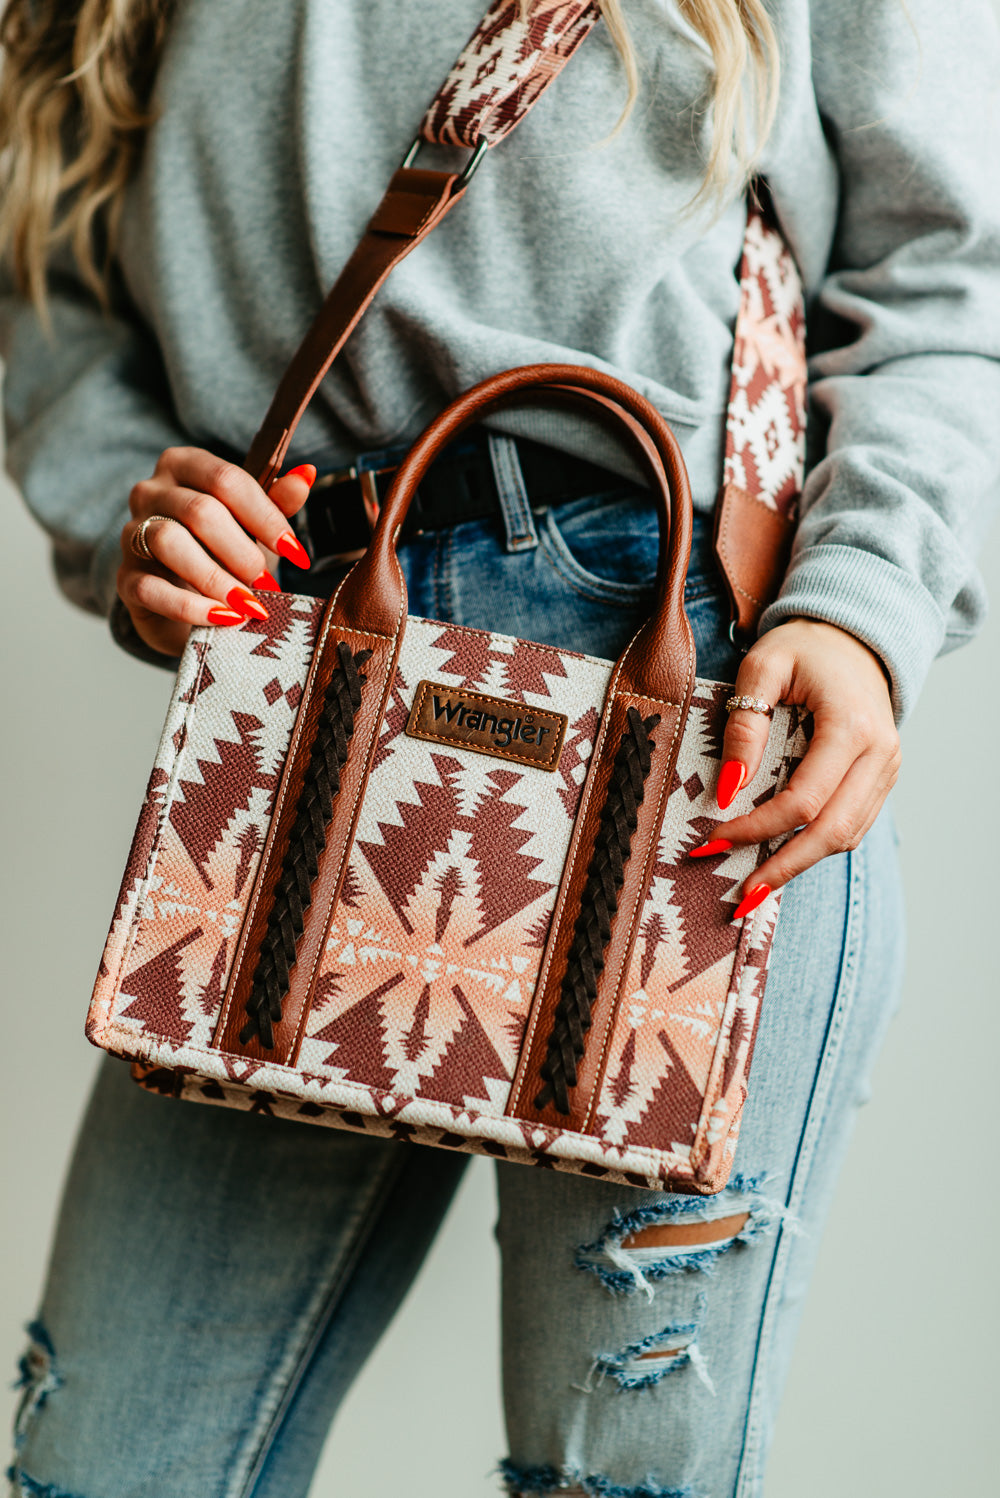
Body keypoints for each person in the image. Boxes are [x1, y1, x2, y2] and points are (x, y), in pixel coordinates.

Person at [2, 2, 998, 1495]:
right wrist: (141, 513)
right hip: (301, 690)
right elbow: (47, 302)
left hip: (689, 698)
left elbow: (947, 266)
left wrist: (864, 605)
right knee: (108, 1468)